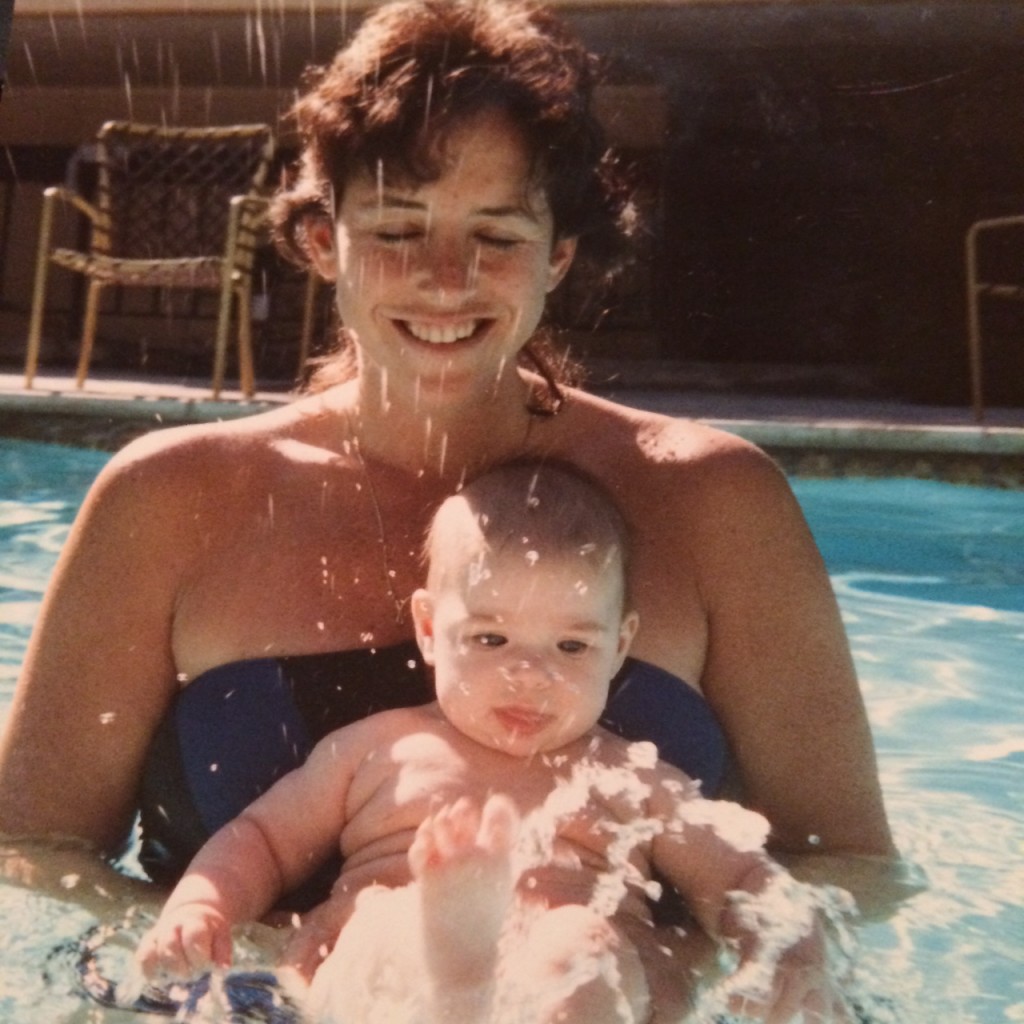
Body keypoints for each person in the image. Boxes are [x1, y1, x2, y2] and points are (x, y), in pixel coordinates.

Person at [0, 0, 903, 1011]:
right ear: (322, 239)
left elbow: (855, 868)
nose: (445, 279)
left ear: (559, 254)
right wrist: (316, 958)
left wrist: (647, 965)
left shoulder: (711, 499)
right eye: (397, 228)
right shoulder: (167, 499)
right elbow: (28, 857)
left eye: (497, 234)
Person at [136, 461, 848, 1024]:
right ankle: (457, 972)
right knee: (380, 930)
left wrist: (791, 956)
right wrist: (203, 906)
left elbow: (742, 878)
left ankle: (466, 982)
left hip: (560, 978)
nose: (529, 674)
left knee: (583, 946)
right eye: (491, 639)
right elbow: (261, 841)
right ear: (428, 629)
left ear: (620, 644)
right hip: (397, 958)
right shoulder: (379, 750)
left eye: (571, 645)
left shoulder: (633, 776)